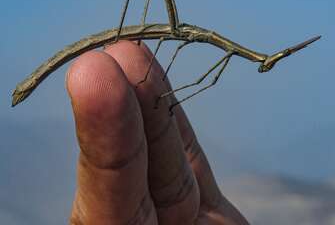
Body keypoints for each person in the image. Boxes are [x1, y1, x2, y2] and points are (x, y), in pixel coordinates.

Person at [66, 40, 249, 224]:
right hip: (110, 70)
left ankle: (123, 46)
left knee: (128, 60)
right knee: (125, 61)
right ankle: (122, 42)